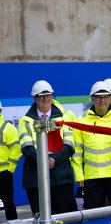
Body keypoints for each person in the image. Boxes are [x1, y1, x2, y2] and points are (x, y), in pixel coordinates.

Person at [19, 80, 78, 215]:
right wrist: (44, 161)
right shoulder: (25, 121)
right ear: (35, 98)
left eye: (48, 95)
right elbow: (26, 148)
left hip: (61, 177)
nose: (45, 99)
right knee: (41, 220)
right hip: (36, 179)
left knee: (65, 218)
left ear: (52, 96)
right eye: (41, 96)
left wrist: (55, 159)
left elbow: (69, 145)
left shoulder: (64, 117)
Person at [72, 81, 111, 208]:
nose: (102, 100)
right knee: (93, 216)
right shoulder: (82, 121)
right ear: (92, 99)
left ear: (110, 98)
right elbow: (77, 152)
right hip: (92, 177)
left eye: (105, 96)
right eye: (98, 97)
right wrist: (79, 176)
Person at [0, 101, 21, 220]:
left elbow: (16, 149)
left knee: (8, 204)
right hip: (4, 173)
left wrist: (10, 170)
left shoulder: (8, 128)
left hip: (4, 173)